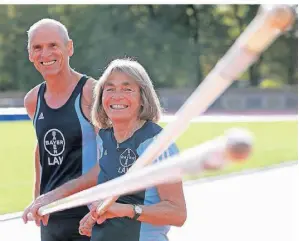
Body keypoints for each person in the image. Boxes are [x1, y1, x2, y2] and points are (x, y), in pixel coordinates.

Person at [79, 58, 187, 241]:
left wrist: (127, 211)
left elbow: (177, 213)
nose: (117, 95)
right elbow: (112, 201)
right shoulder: (104, 139)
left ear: (142, 98)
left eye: (127, 89)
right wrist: (94, 216)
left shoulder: (157, 144)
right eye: (110, 88)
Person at [22, 18, 99, 241]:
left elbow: (109, 161)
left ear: (69, 48)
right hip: (51, 218)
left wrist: (53, 196)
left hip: (91, 218)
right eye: (37, 47)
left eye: (53, 45)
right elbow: (41, 149)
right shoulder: (33, 100)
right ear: (30, 54)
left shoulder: (91, 93)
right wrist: (38, 197)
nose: (45, 54)